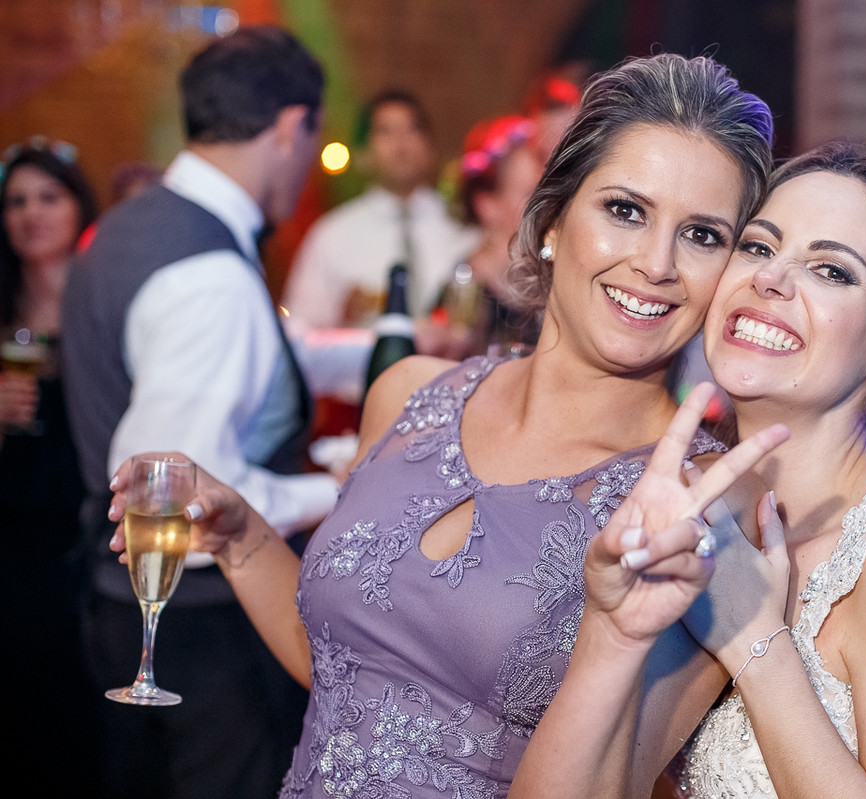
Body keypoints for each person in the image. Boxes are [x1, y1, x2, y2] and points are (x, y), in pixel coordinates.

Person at [106, 52, 777, 798]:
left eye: (704, 235)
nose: (657, 262)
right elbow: (348, 667)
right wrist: (242, 539)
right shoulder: (409, 394)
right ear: (552, 219)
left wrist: (613, 635)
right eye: (626, 210)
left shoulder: (703, 505)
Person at [511, 142, 866, 799]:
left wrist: (759, 645)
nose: (770, 278)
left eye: (831, 271)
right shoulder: (699, 519)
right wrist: (609, 627)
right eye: (759, 247)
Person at [61, 26, 338, 799]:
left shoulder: (134, 227)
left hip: (121, 611)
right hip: (201, 627)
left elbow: (258, 353)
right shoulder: (210, 272)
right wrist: (337, 489)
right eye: (314, 138)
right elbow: (170, 482)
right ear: (290, 126)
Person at [0, 136, 102, 781]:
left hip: (90, 524)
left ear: (78, 207)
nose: (31, 213)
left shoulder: (106, 305)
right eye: (15, 202)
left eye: (48, 197)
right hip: (12, 532)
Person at [282, 89, 478, 332]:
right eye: (386, 131)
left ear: (431, 148)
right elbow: (300, 329)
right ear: (362, 154)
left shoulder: (463, 226)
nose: (401, 143)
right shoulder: (332, 234)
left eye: (413, 129)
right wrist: (342, 316)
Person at [418, 114, 545, 359]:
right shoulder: (465, 292)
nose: (547, 204)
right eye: (531, 193)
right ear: (487, 205)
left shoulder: (553, 277)